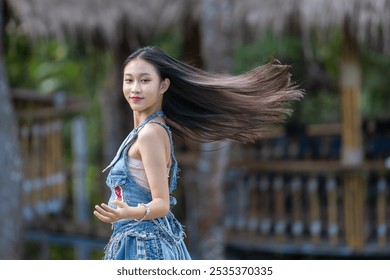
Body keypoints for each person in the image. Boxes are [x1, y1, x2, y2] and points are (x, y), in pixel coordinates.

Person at [93, 46, 304, 260]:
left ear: (163, 85)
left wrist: (128, 213)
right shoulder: (148, 130)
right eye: (128, 80)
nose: (135, 89)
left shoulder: (150, 135)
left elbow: (162, 204)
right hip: (138, 241)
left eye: (145, 80)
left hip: (144, 246)